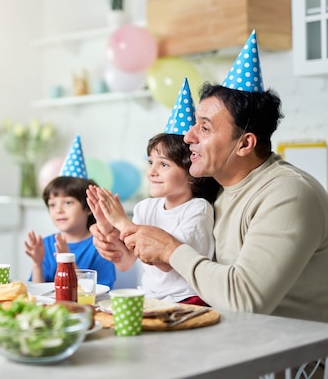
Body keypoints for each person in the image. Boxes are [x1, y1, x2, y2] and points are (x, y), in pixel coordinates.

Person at [93, 31, 328, 323]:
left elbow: (245, 300)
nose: (188, 137)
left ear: (245, 144)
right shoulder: (213, 189)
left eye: (204, 128)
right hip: (224, 339)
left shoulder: (288, 193)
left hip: (289, 360)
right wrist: (122, 244)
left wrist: (169, 249)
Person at [87, 79, 220, 305]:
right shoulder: (145, 207)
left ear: (192, 172)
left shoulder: (198, 209)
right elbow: (127, 260)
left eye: (164, 164)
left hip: (188, 299)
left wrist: (122, 222)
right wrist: (107, 228)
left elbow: (167, 262)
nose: (152, 172)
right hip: (152, 297)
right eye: (151, 162)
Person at [24, 135, 116, 288]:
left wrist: (68, 261)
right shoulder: (47, 244)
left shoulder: (101, 245)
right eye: (52, 204)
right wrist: (37, 263)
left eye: (68, 202)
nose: (58, 210)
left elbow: (98, 292)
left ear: (88, 208)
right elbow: (37, 291)